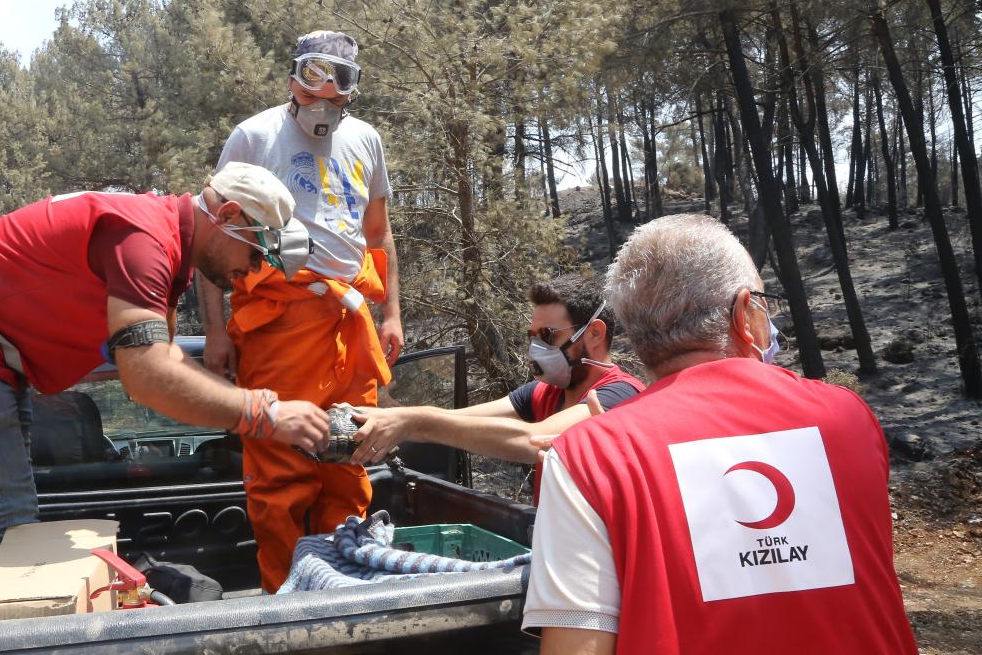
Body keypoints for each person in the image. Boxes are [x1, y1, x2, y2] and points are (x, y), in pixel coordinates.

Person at [0, 163, 331, 552]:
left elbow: (163, 356)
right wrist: (262, 414)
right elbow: (147, 375)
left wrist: (245, 399)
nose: (252, 271)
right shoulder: (144, 241)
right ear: (229, 214)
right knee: (3, 529)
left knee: (11, 526)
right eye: (256, 252)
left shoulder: (161, 240)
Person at [523, 214, 917, 654]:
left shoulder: (588, 457)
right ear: (746, 312)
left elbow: (578, 644)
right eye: (766, 303)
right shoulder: (848, 416)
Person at [196, 30, 402, 592]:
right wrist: (216, 331)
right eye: (314, 76)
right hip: (278, 321)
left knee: (347, 463)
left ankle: (346, 597)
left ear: (353, 90)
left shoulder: (366, 140)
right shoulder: (254, 135)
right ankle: (285, 608)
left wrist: (391, 315)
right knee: (280, 474)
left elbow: (378, 237)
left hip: (350, 323)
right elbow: (211, 237)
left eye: (340, 81)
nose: (325, 93)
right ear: (293, 76)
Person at [348, 274, 644, 504]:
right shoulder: (546, 391)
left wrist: (415, 423)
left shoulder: (620, 396)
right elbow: (465, 419)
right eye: (533, 337)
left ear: (594, 333)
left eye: (547, 336)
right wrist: (396, 413)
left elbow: (533, 441)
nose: (536, 348)